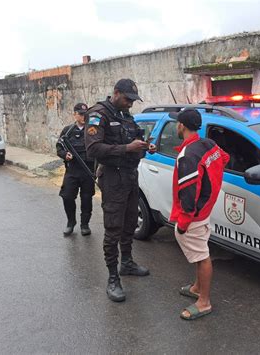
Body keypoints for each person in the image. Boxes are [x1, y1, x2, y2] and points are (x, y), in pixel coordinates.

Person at [85, 79, 156, 302]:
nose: (130, 104)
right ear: (115, 93)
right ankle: (113, 277)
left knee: (129, 223)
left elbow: (136, 138)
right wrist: (127, 148)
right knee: (113, 227)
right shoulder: (99, 114)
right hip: (113, 177)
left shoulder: (125, 115)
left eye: (133, 101)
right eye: (127, 99)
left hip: (130, 175)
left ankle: (127, 263)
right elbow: (93, 149)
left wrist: (144, 145)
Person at [169, 108, 229, 320]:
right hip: (205, 209)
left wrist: (183, 223)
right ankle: (196, 287)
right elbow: (225, 158)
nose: (176, 125)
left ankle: (204, 302)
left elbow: (188, 193)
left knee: (202, 256)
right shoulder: (209, 144)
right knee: (198, 251)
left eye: (177, 123)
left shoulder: (188, 155)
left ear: (182, 126)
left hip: (195, 214)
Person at [56, 103, 95, 237]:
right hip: (72, 170)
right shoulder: (68, 130)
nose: (84, 117)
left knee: (86, 198)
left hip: (88, 171)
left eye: (85, 114)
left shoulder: (92, 130)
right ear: (75, 114)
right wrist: (64, 155)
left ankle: (85, 224)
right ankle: (70, 223)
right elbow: (59, 147)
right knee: (67, 196)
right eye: (81, 114)